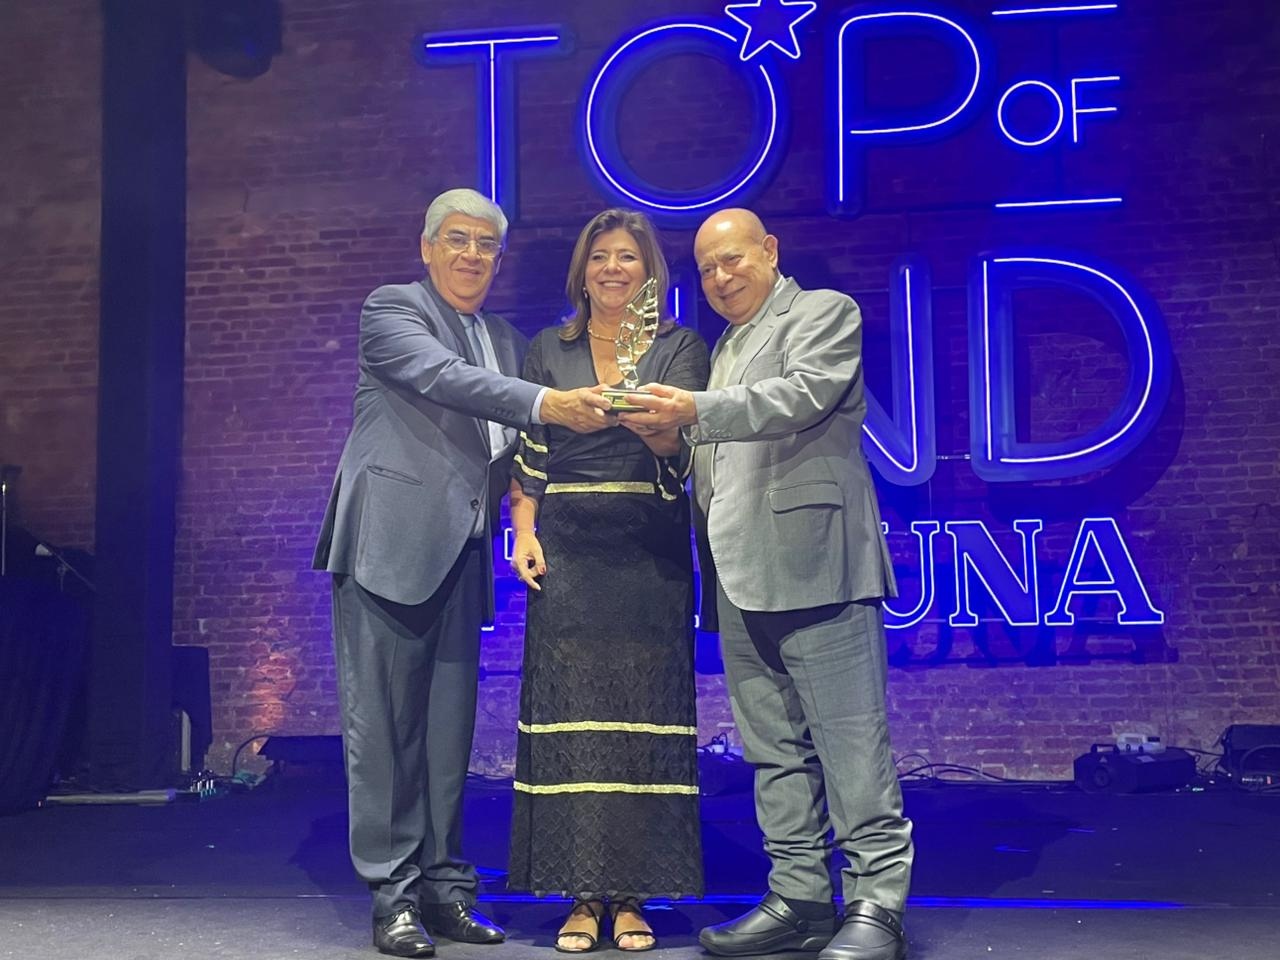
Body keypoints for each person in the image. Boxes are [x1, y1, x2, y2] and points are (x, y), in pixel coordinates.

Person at [313, 188, 614, 958]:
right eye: (457, 239)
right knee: (385, 732)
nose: (472, 254)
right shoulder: (393, 311)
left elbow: (523, 449)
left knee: (448, 739)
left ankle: (446, 890)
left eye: (486, 245)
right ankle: (393, 895)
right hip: (388, 546)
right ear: (427, 247)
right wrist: (550, 401)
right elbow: (448, 379)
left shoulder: (508, 339)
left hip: (463, 553)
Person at [618, 209, 913, 960]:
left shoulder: (821, 313)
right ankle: (800, 898)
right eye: (707, 269)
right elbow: (716, 455)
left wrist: (693, 409)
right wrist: (670, 439)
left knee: (851, 748)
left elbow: (800, 397)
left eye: (732, 260)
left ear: (770, 251)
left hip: (819, 567)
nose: (720, 278)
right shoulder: (726, 346)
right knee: (773, 754)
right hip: (739, 573)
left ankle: (876, 905)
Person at [505, 208, 710, 953]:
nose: (613, 268)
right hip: (568, 555)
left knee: (638, 727)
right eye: (600, 257)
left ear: (649, 270)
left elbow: (687, 445)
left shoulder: (679, 347)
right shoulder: (547, 349)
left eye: (627, 256)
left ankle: (630, 897)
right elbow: (528, 453)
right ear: (582, 272)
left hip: (649, 554)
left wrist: (638, 414)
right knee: (577, 730)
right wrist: (524, 531)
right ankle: (581, 895)